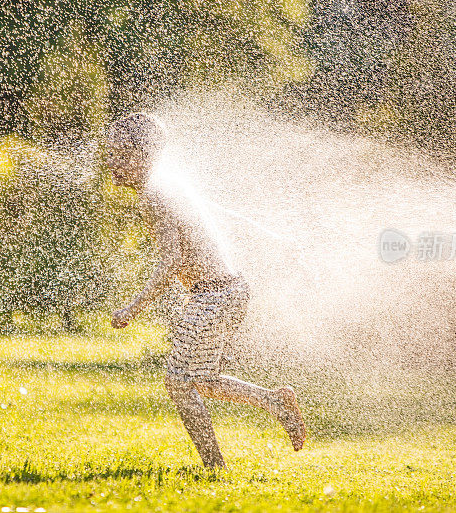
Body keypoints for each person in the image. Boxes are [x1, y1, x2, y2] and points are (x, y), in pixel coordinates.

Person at [105, 112, 306, 469]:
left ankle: (215, 465)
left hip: (213, 295)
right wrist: (275, 238)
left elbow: (170, 262)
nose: (112, 162)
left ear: (144, 156)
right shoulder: (167, 184)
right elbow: (223, 214)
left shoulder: (155, 193)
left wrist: (132, 308)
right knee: (200, 379)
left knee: (179, 381)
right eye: (110, 151)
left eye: (121, 153)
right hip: (228, 291)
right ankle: (274, 402)